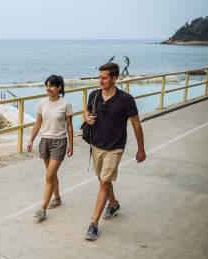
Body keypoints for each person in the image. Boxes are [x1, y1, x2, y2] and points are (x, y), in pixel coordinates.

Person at [84, 62, 146, 241]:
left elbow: (136, 123)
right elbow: (87, 112)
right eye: (99, 77)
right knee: (103, 180)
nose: (100, 80)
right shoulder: (94, 95)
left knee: (104, 182)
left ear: (114, 78)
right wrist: (87, 118)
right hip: (96, 145)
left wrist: (141, 149)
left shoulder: (126, 99)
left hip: (115, 147)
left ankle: (93, 224)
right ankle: (113, 204)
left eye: (104, 77)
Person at [27, 75, 73, 222]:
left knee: (49, 176)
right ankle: (57, 198)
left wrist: (71, 144)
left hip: (59, 142)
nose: (48, 88)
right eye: (47, 85)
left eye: (52, 85)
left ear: (59, 88)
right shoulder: (42, 103)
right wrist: (30, 140)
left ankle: (43, 209)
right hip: (45, 141)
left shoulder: (66, 104)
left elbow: (69, 126)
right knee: (51, 174)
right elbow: (37, 123)